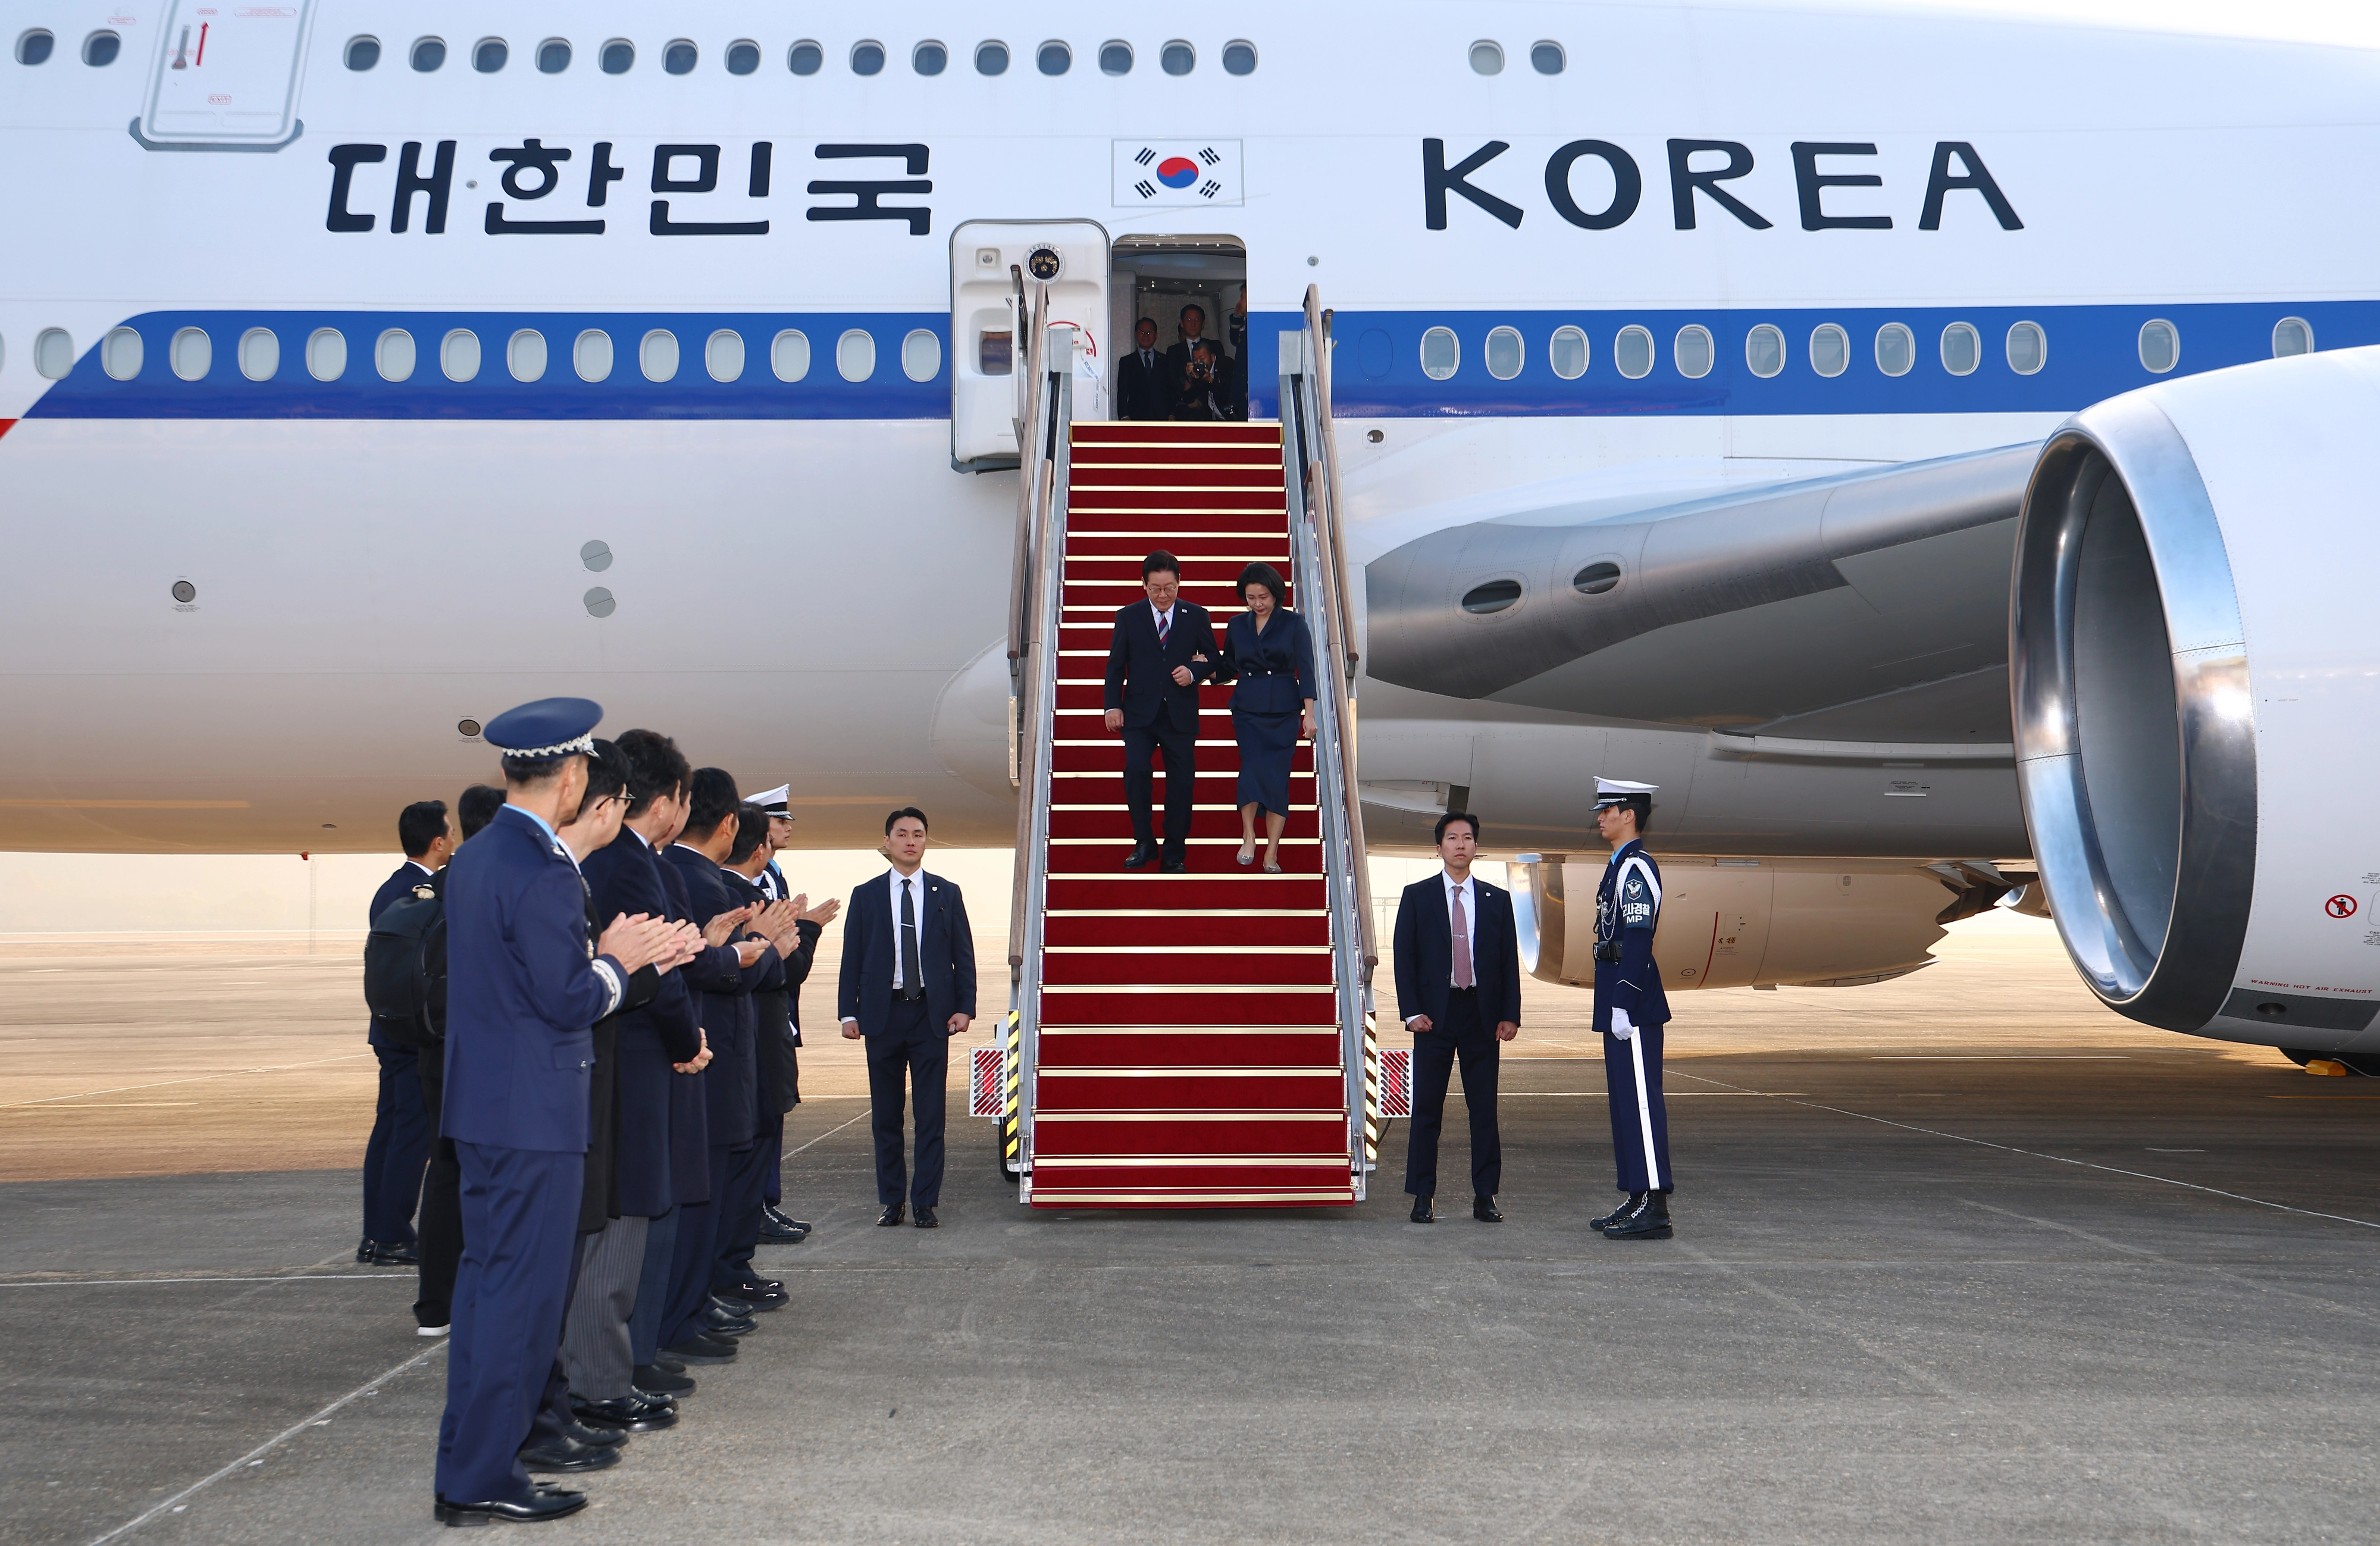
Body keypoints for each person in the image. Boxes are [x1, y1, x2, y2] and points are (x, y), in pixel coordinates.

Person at [434, 697, 678, 1528]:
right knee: (521, 1307)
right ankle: (481, 1478)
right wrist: (618, 961)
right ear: (572, 777)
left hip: (484, 1112)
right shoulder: (541, 869)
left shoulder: (477, 855)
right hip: (534, 1118)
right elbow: (568, 999)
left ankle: (468, 1465)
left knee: (486, 1296)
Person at [551, 742, 693, 1444]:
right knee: (617, 1227)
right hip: (623, 1068)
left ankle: (594, 1377)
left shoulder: (589, 865)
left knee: (606, 1227)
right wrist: (687, 1038)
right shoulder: (622, 864)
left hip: (605, 1064)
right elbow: (644, 974)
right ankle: (599, 1383)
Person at [581, 730, 713, 1398]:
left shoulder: (611, 859)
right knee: (629, 1214)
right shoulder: (631, 864)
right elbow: (658, 973)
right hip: (635, 1060)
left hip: (622, 1053)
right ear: (666, 803)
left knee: (625, 1215)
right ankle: (613, 1370)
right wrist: (688, 1042)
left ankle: (619, 1362)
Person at [838, 808, 976, 1227]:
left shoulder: (945, 892)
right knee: (886, 1116)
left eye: (918, 833)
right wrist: (848, 1012)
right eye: (901, 834)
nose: (910, 841)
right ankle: (892, 1200)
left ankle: (924, 1202)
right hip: (882, 1015)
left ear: (926, 840)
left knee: (931, 1116)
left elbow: (963, 954)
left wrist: (965, 1006)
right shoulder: (866, 894)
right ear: (887, 842)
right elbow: (852, 956)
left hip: (931, 1016)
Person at [1392, 811, 1521, 1224]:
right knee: (1427, 1110)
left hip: (1482, 1016)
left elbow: (1507, 961)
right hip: (1434, 1017)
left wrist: (1510, 1014)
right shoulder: (1417, 896)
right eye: (1452, 838)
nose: (1460, 844)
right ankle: (1422, 1196)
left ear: (1476, 847)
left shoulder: (1497, 899)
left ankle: (1485, 1196)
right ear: (1439, 848)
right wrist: (1411, 1012)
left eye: (1467, 838)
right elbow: (1404, 957)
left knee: (1484, 1111)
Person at [411, 785, 505, 1337]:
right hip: (480, 1053)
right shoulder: (491, 880)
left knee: (445, 1175)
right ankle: (482, 1299)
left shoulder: (443, 881)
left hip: (435, 1050)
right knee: (492, 1177)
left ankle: (435, 1305)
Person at [723, 799, 835, 1245]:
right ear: (759, 848)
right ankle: (754, 1217)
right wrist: (806, 929)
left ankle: (760, 1210)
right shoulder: (746, 897)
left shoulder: (731, 887)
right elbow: (784, 971)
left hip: (752, 1034)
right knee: (757, 1136)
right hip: (756, 1036)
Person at [358, 800, 453, 1269]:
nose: (453, 841)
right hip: (415, 1032)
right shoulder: (428, 892)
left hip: (389, 1027)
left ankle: (376, 1233)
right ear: (437, 842)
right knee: (411, 1136)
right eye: (449, 834)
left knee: (389, 1130)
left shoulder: (389, 889)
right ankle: (393, 1235)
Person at [1589, 779, 1676, 1242]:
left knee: (1642, 1102)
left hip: (1633, 1002)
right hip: (1617, 998)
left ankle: (1656, 1206)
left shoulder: (1636, 868)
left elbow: (1639, 940)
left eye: (1609, 810)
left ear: (1629, 815)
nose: (1600, 817)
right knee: (1625, 1104)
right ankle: (1638, 1194)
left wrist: (1622, 1002)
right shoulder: (1618, 866)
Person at [1103, 550, 1219, 872]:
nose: (1163, 595)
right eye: (1156, 589)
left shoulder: (1196, 615)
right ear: (1144, 584)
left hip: (1179, 714)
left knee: (1181, 783)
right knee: (1137, 772)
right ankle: (1144, 842)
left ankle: (1174, 851)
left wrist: (1193, 672)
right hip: (1139, 713)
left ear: (1180, 582)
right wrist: (1112, 705)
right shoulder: (1129, 616)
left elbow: (1215, 659)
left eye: (1170, 588)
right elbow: (1115, 665)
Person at [1217, 562, 1316, 873]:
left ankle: (1272, 850)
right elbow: (1229, 666)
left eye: (1263, 597)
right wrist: (1204, 668)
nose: (1258, 603)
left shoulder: (1294, 623)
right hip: (1248, 708)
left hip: (1283, 710)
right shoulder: (1237, 624)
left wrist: (1309, 715)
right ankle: (1249, 836)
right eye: (1251, 598)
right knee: (1251, 770)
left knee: (1276, 778)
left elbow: (1307, 670)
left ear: (1276, 594)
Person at [1116, 317, 1173, 421]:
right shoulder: (1127, 362)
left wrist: (1172, 413)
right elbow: (1122, 392)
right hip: (1136, 417)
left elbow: (1171, 390)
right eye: (1142, 332)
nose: (1146, 335)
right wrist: (1124, 416)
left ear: (1156, 336)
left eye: (1149, 332)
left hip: (1162, 417)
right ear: (1136, 335)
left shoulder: (1165, 360)